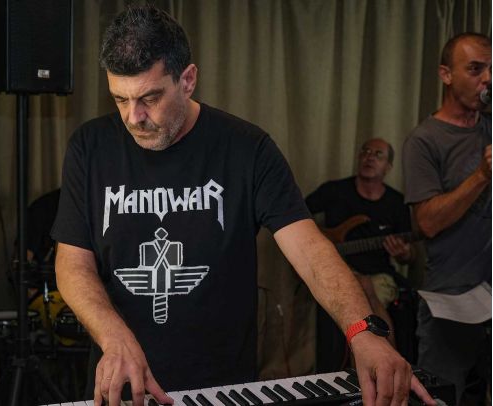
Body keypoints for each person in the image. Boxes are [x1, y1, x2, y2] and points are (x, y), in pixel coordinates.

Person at [51, 5, 434, 406]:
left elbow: (309, 249)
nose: (134, 117)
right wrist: (114, 337)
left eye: (149, 97)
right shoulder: (90, 147)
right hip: (121, 385)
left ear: (188, 80)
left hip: (222, 387)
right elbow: (73, 263)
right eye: (120, 99)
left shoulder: (247, 149)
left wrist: (363, 331)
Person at [403, 32, 491, 405]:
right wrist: (481, 176)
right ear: (446, 74)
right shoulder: (425, 140)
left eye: (491, 70)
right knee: (440, 396)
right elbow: (426, 222)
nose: (487, 79)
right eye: (475, 69)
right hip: (450, 302)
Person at [305, 138, 415, 370]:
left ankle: (381, 369)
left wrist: (403, 253)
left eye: (378, 154)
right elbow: (296, 216)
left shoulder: (396, 203)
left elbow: (408, 256)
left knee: (366, 290)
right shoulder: (334, 191)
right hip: (335, 270)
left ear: (388, 167)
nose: (369, 157)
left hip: (379, 276)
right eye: (365, 151)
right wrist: (319, 241)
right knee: (358, 288)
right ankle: (383, 370)